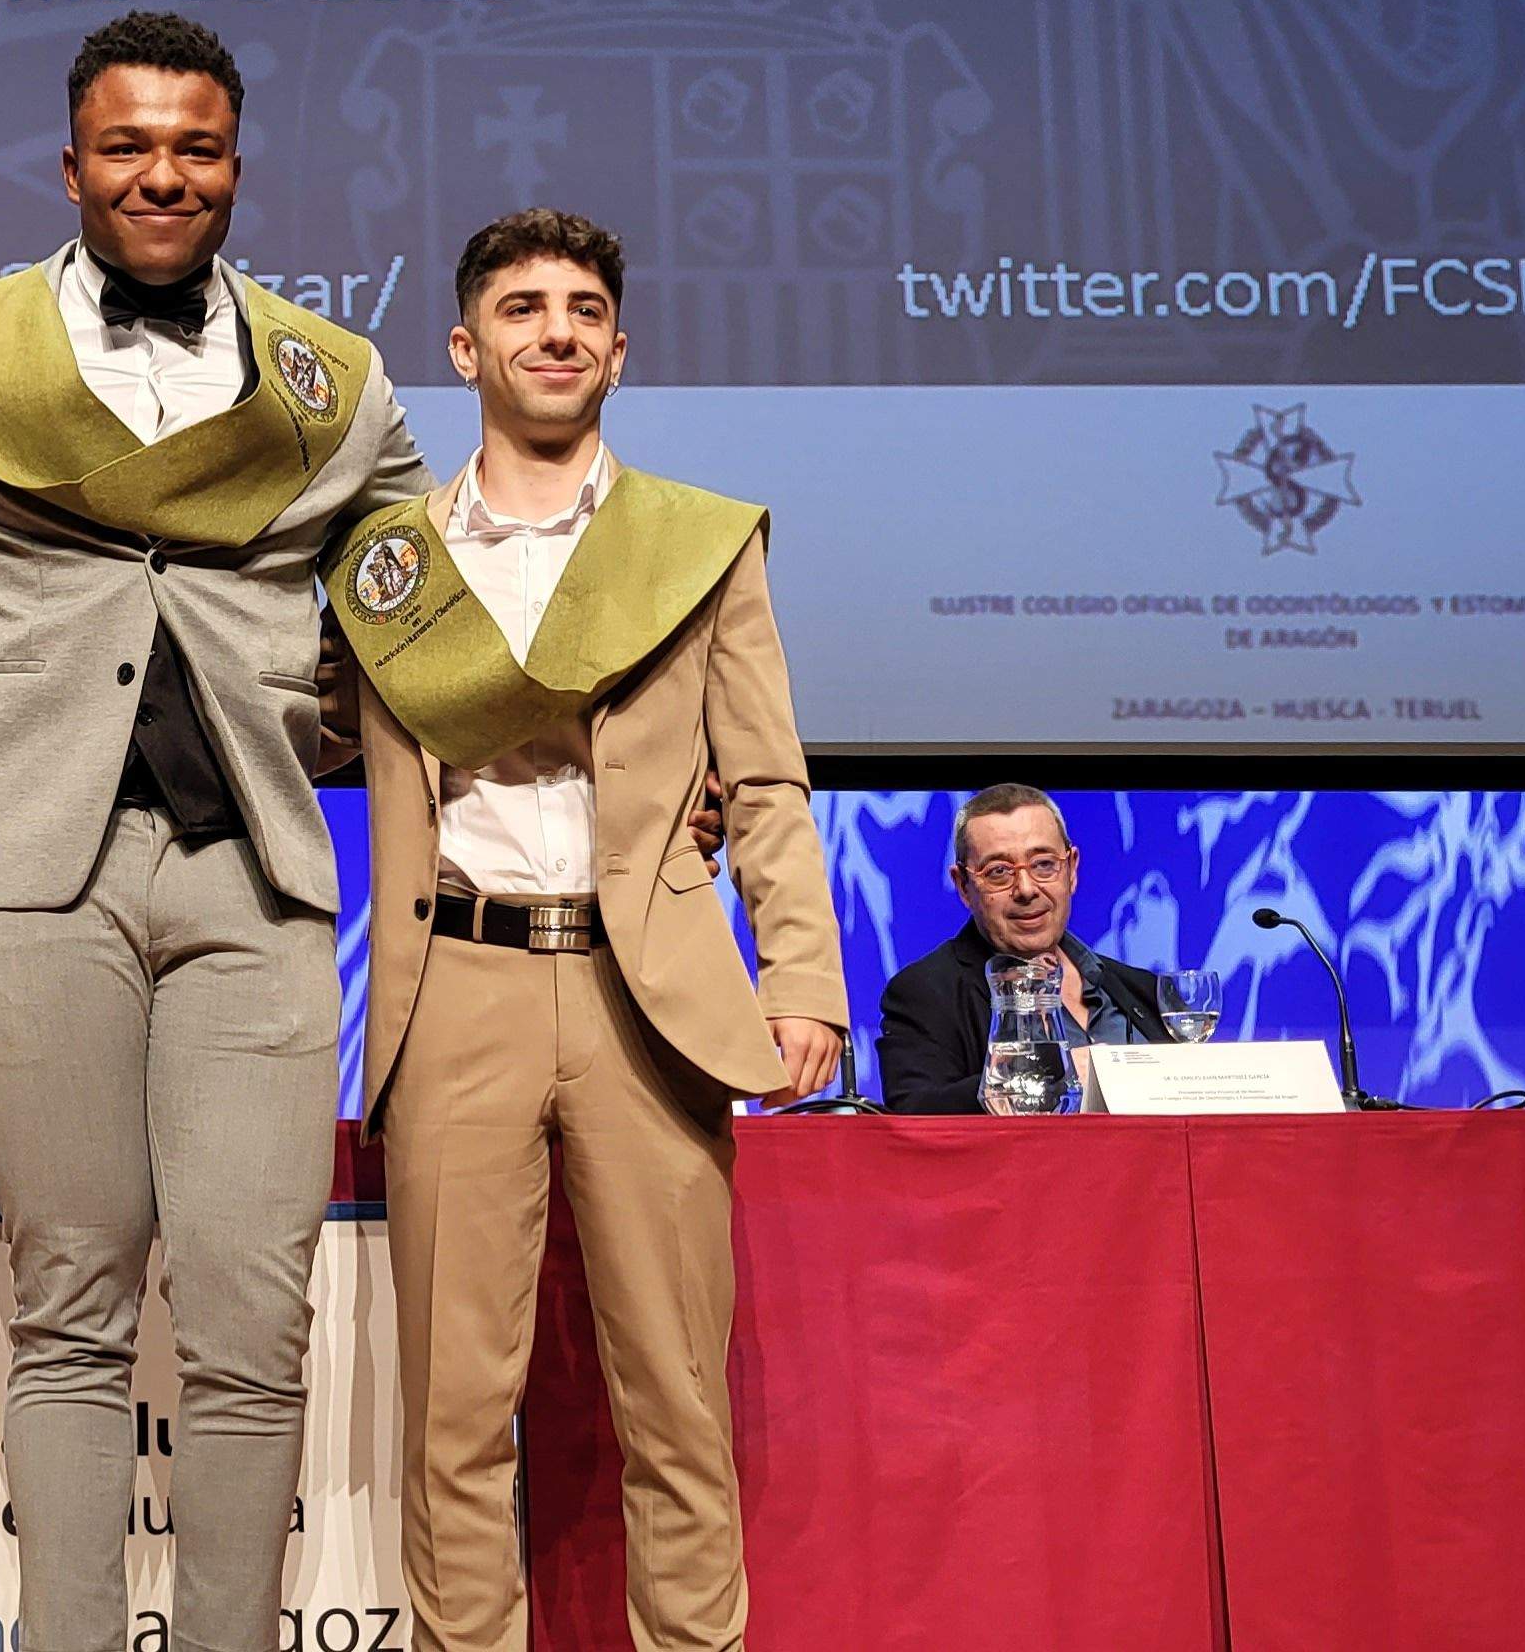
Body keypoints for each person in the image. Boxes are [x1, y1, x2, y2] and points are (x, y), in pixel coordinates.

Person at [0, 11, 430, 1652]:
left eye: (195, 147)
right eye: (128, 146)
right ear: (71, 165)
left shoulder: (332, 378)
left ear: (236, 165)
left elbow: (409, 577)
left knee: (254, 1313)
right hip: (30, 872)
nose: (161, 173)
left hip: (255, 869)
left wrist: (317, 704)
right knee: (73, 1306)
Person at [326, 209, 844, 1652]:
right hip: (455, 986)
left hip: (646, 996)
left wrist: (801, 975)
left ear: (619, 350)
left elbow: (766, 779)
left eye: (582, 311)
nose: (554, 331)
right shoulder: (387, 562)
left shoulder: (696, 541)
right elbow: (309, 726)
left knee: (676, 1401)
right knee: (452, 1414)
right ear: (463, 348)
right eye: (521, 308)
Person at [872, 782, 1170, 1114]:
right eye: (999, 872)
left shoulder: (1140, 989)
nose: (1026, 889)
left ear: (1071, 869)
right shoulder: (925, 993)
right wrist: (1052, 1073)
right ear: (964, 887)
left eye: (1043, 864)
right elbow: (915, 1112)